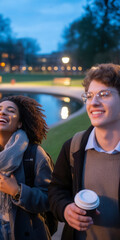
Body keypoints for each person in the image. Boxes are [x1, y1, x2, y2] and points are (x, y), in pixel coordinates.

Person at [48, 63, 120, 240]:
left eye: (104, 94)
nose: (94, 102)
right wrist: (65, 209)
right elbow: (56, 190)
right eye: (89, 95)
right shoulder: (73, 146)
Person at [0, 95, 53, 240]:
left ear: (19, 123)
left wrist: (18, 192)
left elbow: (50, 199)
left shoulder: (35, 154)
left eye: (10, 110)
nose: (2, 112)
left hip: (25, 231)